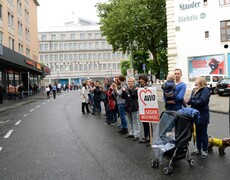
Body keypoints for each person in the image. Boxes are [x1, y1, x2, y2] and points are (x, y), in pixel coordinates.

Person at [185, 77, 210, 159]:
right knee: (197, 133)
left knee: (203, 133)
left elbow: (203, 101)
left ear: (200, 81)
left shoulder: (205, 90)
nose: (195, 81)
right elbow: (192, 100)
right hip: (195, 114)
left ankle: (205, 150)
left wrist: (191, 101)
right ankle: (198, 149)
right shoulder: (194, 89)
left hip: (202, 114)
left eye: (196, 80)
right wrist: (187, 101)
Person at [122, 77, 140, 141]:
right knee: (130, 121)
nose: (130, 82)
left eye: (131, 81)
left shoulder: (136, 89)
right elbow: (123, 97)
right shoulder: (127, 89)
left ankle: (136, 134)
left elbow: (133, 95)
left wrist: (129, 90)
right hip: (128, 106)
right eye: (129, 81)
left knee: (135, 121)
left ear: (134, 82)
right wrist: (123, 92)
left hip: (134, 106)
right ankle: (131, 133)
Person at [138, 75, 151, 144]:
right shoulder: (139, 87)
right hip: (142, 107)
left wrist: (148, 89)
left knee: (148, 123)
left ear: (145, 80)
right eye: (140, 79)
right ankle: (146, 136)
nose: (140, 80)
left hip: (148, 108)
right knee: (144, 122)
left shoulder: (149, 86)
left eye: (142, 79)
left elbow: (152, 94)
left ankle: (150, 137)